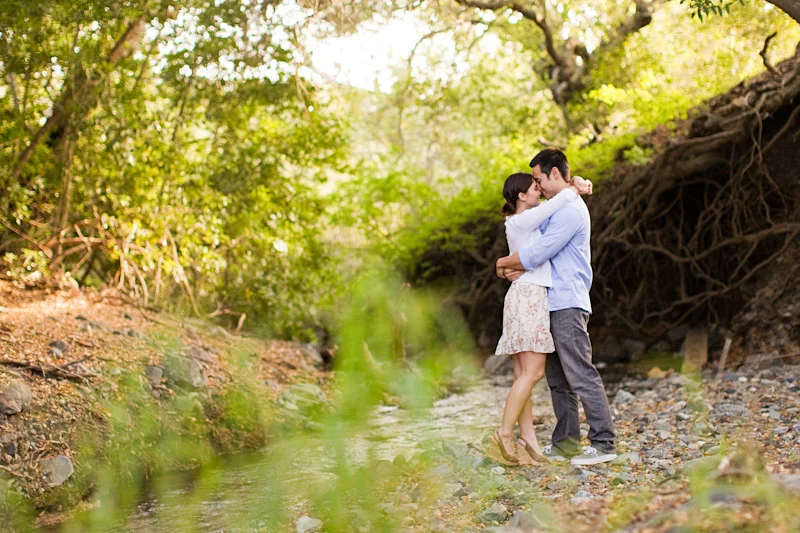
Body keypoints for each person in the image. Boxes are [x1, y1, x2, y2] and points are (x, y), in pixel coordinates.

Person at [495, 148, 617, 467]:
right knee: (558, 379)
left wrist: (504, 263)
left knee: (579, 372)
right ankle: (565, 443)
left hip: (567, 300)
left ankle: (604, 443)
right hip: (547, 302)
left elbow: (540, 251)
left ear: (553, 174)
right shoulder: (555, 206)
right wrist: (577, 182)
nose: (539, 186)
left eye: (540, 179)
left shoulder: (570, 210)